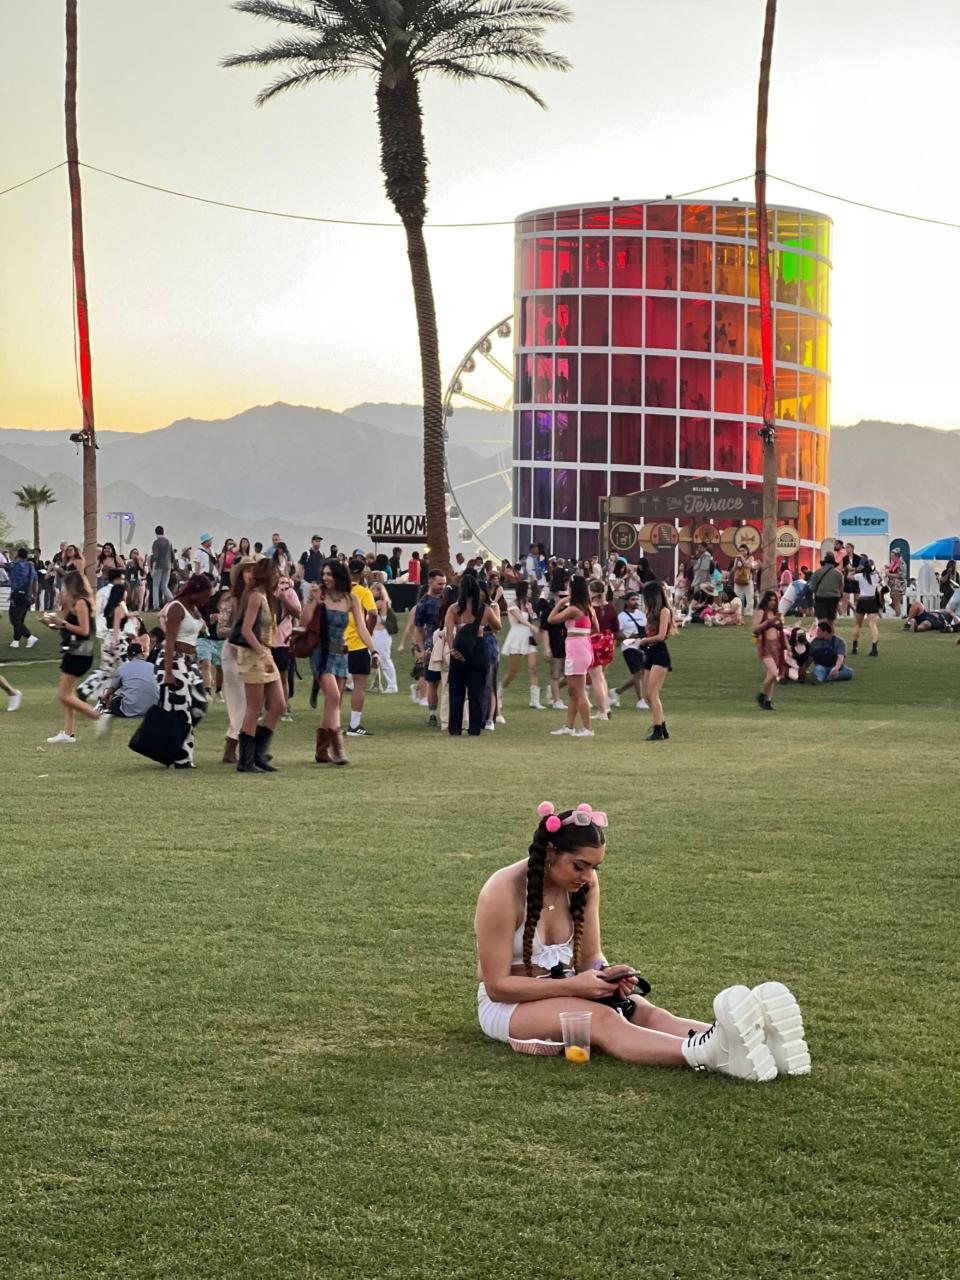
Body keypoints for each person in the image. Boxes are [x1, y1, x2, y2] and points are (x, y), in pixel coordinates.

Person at [474, 803, 808, 1079]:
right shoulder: (502, 891)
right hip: (508, 1007)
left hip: (566, 990)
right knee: (602, 1020)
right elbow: (497, 987)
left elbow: (591, 957)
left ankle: (754, 1043)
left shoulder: (585, 887)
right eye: (579, 866)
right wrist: (577, 987)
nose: (588, 877)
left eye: (594, 867)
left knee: (645, 1010)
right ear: (550, 853)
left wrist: (607, 975)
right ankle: (712, 1052)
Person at [304, 558, 377, 766]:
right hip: (321, 653)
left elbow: (362, 628)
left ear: (339, 576)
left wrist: (374, 651)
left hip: (340, 653)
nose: (326, 578)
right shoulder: (319, 595)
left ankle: (321, 750)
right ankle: (337, 747)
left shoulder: (351, 599)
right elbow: (304, 621)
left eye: (330, 574)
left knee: (331, 703)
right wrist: (312, 600)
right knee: (335, 697)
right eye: (324, 574)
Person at [232, 558, 286, 773]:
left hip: (266, 652)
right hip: (254, 655)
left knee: (279, 705)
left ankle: (258, 753)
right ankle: (245, 759)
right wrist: (263, 654)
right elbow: (246, 630)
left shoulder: (266, 597)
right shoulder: (255, 596)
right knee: (254, 708)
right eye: (276, 573)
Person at [157, 575, 213, 769]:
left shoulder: (194, 609)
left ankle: (171, 746)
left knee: (199, 705)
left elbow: (201, 630)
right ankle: (181, 758)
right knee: (182, 710)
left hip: (190, 661)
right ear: (194, 592)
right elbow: (170, 640)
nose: (206, 601)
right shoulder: (176, 608)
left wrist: (202, 623)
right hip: (175, 660)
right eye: (204, 596)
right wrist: (168, 671)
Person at [43, 569, 101, 743]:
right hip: (74, 650)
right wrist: (57, 623)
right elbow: (70, 626)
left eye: (66, 586)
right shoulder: (77, 604)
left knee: (63, 695)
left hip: (79, 652)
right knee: (67, 695)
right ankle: (68, 733)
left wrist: (62, 623)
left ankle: (97, 716)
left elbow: (83, 630)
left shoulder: (82, 603)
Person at [445, 574, 501, 736]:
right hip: (479, 649)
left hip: (459, 651)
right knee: (477, 691)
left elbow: (449, 631)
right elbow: (498, 627)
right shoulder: (485, 609)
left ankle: (455, 728)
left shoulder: (454, 609)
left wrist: (451, 649)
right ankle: (475, 727)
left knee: (456, 692)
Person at [547, 575, 596, 738]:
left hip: (577, 650)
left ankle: (587, 728)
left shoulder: (574, 609)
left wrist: (560, 603)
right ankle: (569, 726)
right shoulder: (588, 608)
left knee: (579, 691)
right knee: (572, 691)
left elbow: (551, 619)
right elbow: (596, 628)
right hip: (583, 648)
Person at [218, 556, 255, 763]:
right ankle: (236, 743)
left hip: (251, 653)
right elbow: (220, 628)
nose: (251, 574)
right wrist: (241, 632)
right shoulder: (231, 599)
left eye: (253, 571)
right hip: (232, 652)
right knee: (239, 700)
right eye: (247, 570)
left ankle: (236, 743)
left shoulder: (258, 598)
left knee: (251, 701)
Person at [342, 557, 378, 737]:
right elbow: (373, 613)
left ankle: (332, 722)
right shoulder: (363, 592)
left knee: (337, 685)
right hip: (358, 643)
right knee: (359, 685)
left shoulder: (338, 591)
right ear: (362, 573)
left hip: (338, 643)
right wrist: (369, 630)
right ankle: (354, 725)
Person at [636, 582, 675, 741]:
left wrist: (644, 640)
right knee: (647, 694)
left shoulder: (665, 611)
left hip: (659, 653)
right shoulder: (650, 612)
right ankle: (661, 725)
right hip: (649, 653)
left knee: (653, 694)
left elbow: (661, 635)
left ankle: (658, 729)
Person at [96, 641, 160, 732]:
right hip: (152, 710)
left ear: (128, 656)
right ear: (142, 654)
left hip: (129, 710)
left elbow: (111, 690)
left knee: (111, 697)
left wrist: (104, 699)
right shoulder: (153, 667)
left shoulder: (122, 668)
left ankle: (105, 708)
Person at [412, 569, 448, 727]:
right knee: (433, 683)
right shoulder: (423, 604)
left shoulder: (450, 600)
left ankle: (449, 715)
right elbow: (419, 629)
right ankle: (432, 716)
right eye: (440, 583)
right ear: (430, 582)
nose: (442, 586)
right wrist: (421, 650)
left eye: (444, 584)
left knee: (449, 682)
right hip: (431, 647)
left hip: (448, 644)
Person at [499, 581, 542, 711]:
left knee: (533, 668)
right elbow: (520, 619)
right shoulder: (513, 604)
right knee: (513, 672)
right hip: (516, 637)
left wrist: (533, 629)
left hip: (527, 638)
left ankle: (535, 700)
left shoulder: (528, 605)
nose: (530, 591)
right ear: (523, 590)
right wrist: (532, 626)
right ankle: (498, 693)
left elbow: (530, 619)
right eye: (528, 588)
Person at [753, 589, 786, 711]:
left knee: (771, 676)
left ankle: (768, 700)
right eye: (770, 600)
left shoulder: (776, 613)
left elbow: (781, 630)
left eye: (774, 600)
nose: (772, 602)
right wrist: (769, 622)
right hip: (765, 645)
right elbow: (755, 629)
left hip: (777, 645)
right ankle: (762, 694)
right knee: (774, 673)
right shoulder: (761, 611)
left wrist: (787, 646)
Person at [370, 580, 399, 694]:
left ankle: (392, 685)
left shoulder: (381, 603)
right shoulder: (382, 602)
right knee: (373, 659)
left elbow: (369, 610)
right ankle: (377, 684)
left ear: (378, 591)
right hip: (376, 634)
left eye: (373, 589)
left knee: (385, 660)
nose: (371, 591)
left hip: (381, 635)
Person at [6, 547, 38, 650]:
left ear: (18, 555)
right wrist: (34, 596)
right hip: (27, 597)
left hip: (17, 596)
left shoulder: (14, 566)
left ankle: (30, 637)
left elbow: (2, 565)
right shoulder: (31, 567)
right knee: (19, 620)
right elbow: (35, 583)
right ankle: (16, 641)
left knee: (14, 619)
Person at [851, 560, 882, 657]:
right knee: (873, 625)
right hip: (872, 601)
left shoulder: (860, 576)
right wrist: (877, 572)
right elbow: (881, 580)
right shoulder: (875, 577)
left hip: (862, 600)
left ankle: (855, 647)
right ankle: (874, 648)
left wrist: (855, 570)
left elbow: (848, 577)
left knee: (857, 624)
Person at [809, 552, 844, 622]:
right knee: (831, 620)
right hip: (834, 598)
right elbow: (841, 589)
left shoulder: (817, 572)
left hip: (820, 598)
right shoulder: (839, 574)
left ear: (824, 563)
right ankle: (831, 632)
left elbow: (812, 588)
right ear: (834, 563)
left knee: (822, 620)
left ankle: (823, 630)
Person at [150, 525, 174, 609]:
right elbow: (172, 555)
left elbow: (155, 556)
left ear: (156, 533)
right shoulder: (169, 542)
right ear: (163, 532)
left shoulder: (156, 542)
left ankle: (156, 606)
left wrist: (153, 569)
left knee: (155, 586)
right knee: (164, 585)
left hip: (158, 566)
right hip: (168, 566)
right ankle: (172, 600)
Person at [298, 535, 325, 599]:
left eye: (319, 542)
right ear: (312, 542)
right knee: (307, 602)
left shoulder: (322, 555)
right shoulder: (306, 554)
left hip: (318, 584)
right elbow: (300, 566)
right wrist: (302, 580)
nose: (318, 543)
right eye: (316, 541)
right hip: (307, 583)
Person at [886, 549, 907, 617]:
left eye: (892, 557)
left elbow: (901, 575)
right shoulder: (894, 564)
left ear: (897, 556)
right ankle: (899, 613)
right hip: (893, 585)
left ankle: (898, 616)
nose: (891, 558)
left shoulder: (901, 563)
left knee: (896, 602)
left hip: (898, 585)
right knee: (891, 601)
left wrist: (889, 574)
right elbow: (893, 570)